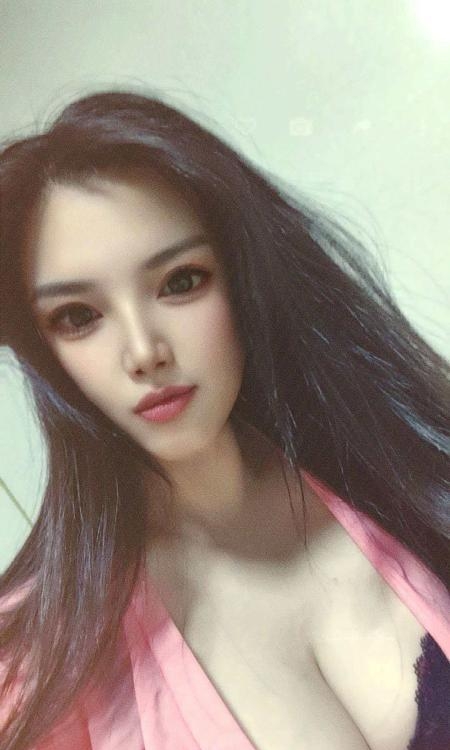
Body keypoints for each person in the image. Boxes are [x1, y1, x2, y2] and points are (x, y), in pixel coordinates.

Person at [0, 90, 448, 750]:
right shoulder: (38, 662)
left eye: (181, 281)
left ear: (243, 278)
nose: (144, 351)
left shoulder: (397, 463)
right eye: (78, 317)